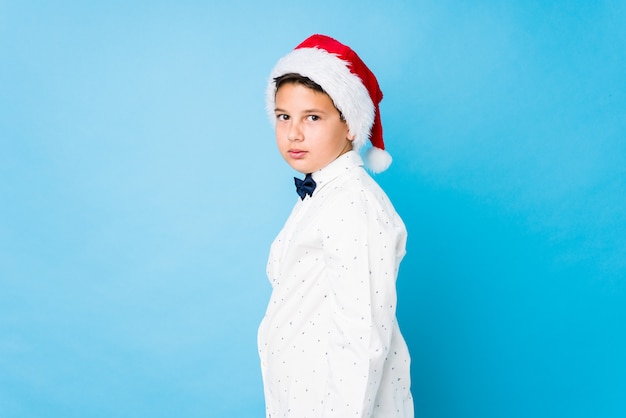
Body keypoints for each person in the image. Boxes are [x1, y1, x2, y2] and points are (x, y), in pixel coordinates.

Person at [258, 34, 413, 418]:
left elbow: (362, 335)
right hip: (303, 398)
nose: (294, 133)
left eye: (313, 117)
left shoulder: (352, 202)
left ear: (350, 125)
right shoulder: (320, 195)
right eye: (283, 117)